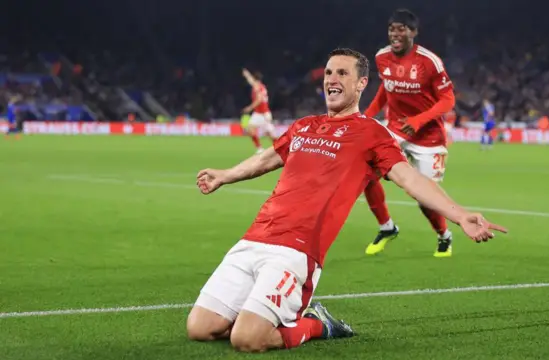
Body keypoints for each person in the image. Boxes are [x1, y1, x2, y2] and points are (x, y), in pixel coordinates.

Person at [189, 48, 507, 353]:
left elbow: (409, 178)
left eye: (343, 73)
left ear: (361, 83)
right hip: (254, 239)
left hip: (296, 251)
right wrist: (224, 175)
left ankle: (317, 323)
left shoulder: (371, 134)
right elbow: (266, 159)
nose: (332, 79)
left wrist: (460, 215)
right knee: (200, 328)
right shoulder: (304, 126)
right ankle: (266, 314)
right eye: (329, 72)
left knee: (247, 339)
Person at [362, 9, 457, 257]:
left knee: (425, 200)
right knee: (364, 169)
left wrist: (419, 120)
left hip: (428, 137)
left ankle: (444, 235)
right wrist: (367, 116)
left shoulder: (429, 62)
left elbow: (448, 99)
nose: (395, 33)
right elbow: (386, 88)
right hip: (396, 129)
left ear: (413, 33)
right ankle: (387, 227)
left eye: (401, 29)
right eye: (392, 28)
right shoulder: (382, 57)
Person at [241, 68, 277, 153]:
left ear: (255, 78)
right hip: (259, 113)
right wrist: (247, 74)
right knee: (250, 129)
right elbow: (251, 81)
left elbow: (259, 100)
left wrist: (249, 108)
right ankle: (260, 149)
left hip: (263, 114)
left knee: (271, 135)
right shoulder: (259, 86)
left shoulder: (257, 87)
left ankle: (281, 148)